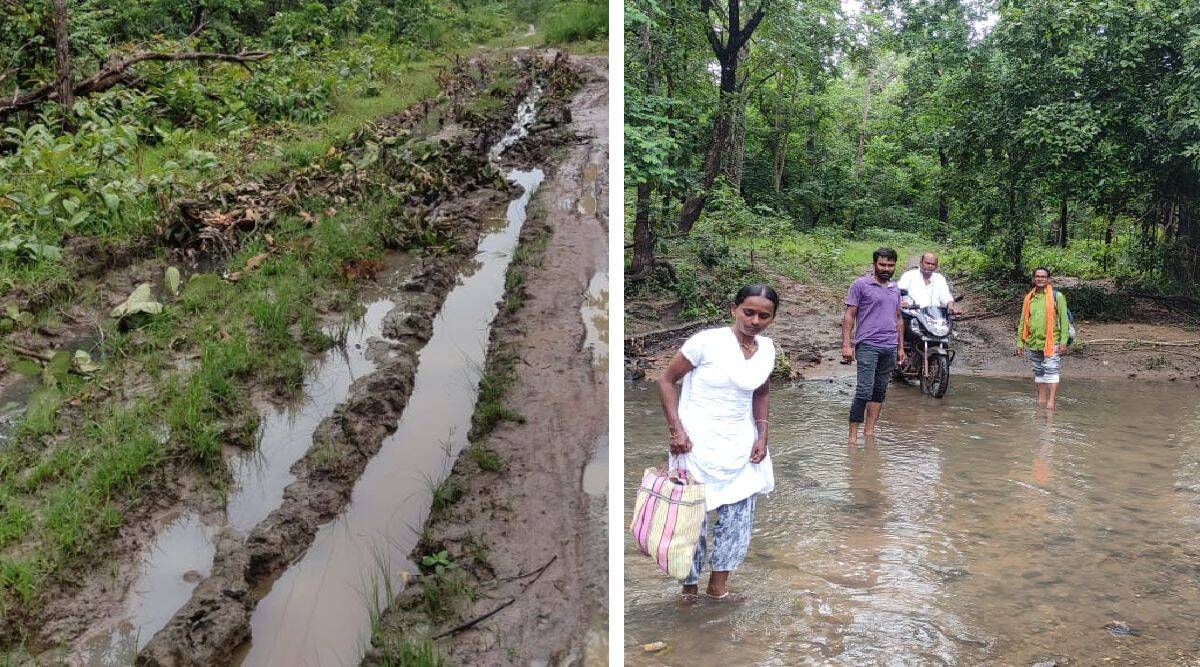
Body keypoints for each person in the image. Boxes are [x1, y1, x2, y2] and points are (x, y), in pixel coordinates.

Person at [656, 284, 778, 601]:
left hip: (742, 444)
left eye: (763, 316)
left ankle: (718, 589)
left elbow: (761, 392)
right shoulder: (706, 343)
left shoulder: (767, 350)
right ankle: (689, 590)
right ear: (734, 309)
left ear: (772, 319)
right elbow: (667, 381)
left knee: (737, 523)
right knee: (691, 522)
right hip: (694, 445)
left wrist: (762, 435)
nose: (754, 321)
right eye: (748, 312)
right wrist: (676, 431)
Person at [842, 248, 905, 444]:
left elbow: (898, 319)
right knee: (864, 391)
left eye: (890, 265)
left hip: (889, 346)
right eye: (882, 264)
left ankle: (869, 433)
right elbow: (849, 316)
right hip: (867, 344)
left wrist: (900, 347)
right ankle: (852, 437)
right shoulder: (860, 285)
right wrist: (846, 345)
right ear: (874, 264)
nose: (886, 268)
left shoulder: (895, 288)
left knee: (879, 391)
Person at [1015, 267, 1069, 410]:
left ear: (1049, 279)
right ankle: (1041, 400)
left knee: (1051, 370)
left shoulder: (1057, 296)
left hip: (1053, 342)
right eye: (1037, 276)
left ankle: (1051, 402)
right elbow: (1023, 321)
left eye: (1043, 276)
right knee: (1038, 371)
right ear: (1033, 279)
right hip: (1034, 341)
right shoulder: (1029, 298)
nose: (1040, 279)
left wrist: (1063, 342)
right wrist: (1020, 342)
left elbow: (1064, 321)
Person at [897, 252, 962, 315]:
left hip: (936, 317)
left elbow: (946, 296)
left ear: (936, 266)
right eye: (927, 263)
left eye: (933, 264)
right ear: (921, 263)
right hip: (913, 316)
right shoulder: (909, 276)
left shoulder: (940, 278)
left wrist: (951, 306)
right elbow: (898, 291)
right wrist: (902, 302)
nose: (930, 266)